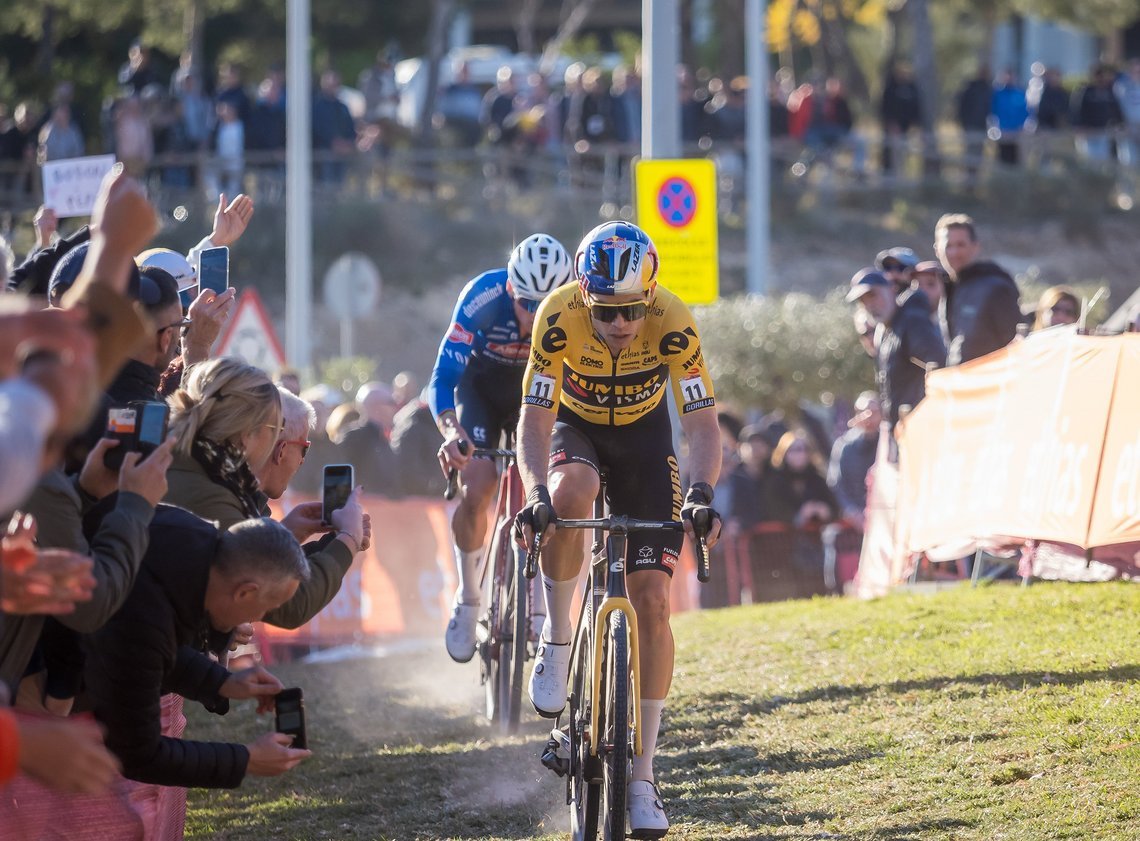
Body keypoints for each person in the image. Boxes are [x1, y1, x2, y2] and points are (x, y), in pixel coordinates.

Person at [512, 221, 722, 837]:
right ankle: (555, 635)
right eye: (605, 312)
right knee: (567, 495)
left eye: (632, 310)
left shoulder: (675, 321)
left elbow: (703, 427)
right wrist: (532, 493)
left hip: (644, 439)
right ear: (584, 297)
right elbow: (533, 418)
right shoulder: (558, 316)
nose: (620, 324)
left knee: (652, 600)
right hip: (575, 430)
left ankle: (643, 776)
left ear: (650, 296)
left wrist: (704, 493)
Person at [83, 515, 312, 787]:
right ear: (245, 592)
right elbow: (138, 753)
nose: (260, 617)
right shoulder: (147, 616)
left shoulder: (183, 543)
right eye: (267, 608)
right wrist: (247, 759)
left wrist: (222, 682)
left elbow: (152, 651)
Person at [431, 233, 573, 663]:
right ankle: (469, 597)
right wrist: (451, 431)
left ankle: (535, 605)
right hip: (482, 392)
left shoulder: (572, 311)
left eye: (546, 305)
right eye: (528, 304)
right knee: (479, 483)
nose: (536, 315)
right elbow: (442, 377)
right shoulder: (482, 297)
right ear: (511, 290)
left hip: (538, 396)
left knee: (554, 491)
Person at [846, 267, 945, 433]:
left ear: (891, 289)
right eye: (862, 300)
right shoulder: (886, 331)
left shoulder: (912, 322)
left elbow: (939, 368)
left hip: (924, 431)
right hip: (906, 433)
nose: (869, 304)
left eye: (873, 295)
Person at [933, 213, 1021, 367]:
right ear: (937, 250)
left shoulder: (995, 288)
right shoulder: (949, 289)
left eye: (961, 245)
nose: (954, 252)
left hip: (991, 384)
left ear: (975, 247)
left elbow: (1017, 345)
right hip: (960, 385)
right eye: (948, 246)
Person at [827, 392, 880, 530]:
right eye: (863, 411)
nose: (868, 416)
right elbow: (836, 484)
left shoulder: (890, 444)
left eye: (874, 412)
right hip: (853, 526)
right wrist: (851, 512)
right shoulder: (844, 445)